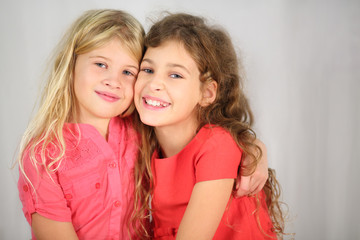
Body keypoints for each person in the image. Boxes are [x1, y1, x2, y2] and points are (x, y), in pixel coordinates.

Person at [16, 9, 270, 240]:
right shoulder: (45, 156)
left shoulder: (136, 131)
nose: (113, 81)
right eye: (101, 64)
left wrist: (252, 149)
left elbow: (212, 143)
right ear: (69, 66)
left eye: (128, 72)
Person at [132, 13, 286, 239]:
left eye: (175, 74)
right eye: (148, 69)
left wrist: (254, 146)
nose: (154, 83)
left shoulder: (216, 145)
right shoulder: (143, 140)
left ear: (207, 93)